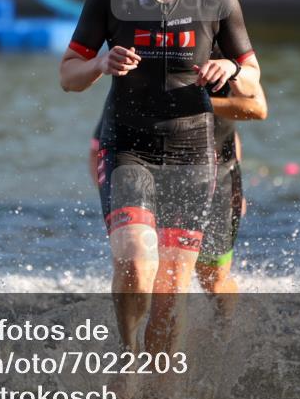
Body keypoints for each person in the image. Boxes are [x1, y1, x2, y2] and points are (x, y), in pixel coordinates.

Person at [61, 0, 262, 355]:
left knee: (171, 294)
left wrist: (230, 70)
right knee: (134, 264)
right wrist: (99, 65)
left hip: (193, 155)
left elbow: (253, 78)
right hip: (128, 145)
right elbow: (68, 75)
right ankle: (128, 356)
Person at [89, 53, 269, 315]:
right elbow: (98, 148)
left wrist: (196, 102)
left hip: (216, 173)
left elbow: (257, 109)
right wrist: (113, 200)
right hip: (153, 173)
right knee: (159, 273)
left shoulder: (221, 51)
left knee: (213, 279)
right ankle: (153, 345)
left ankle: (226, 329)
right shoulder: (143, 59)